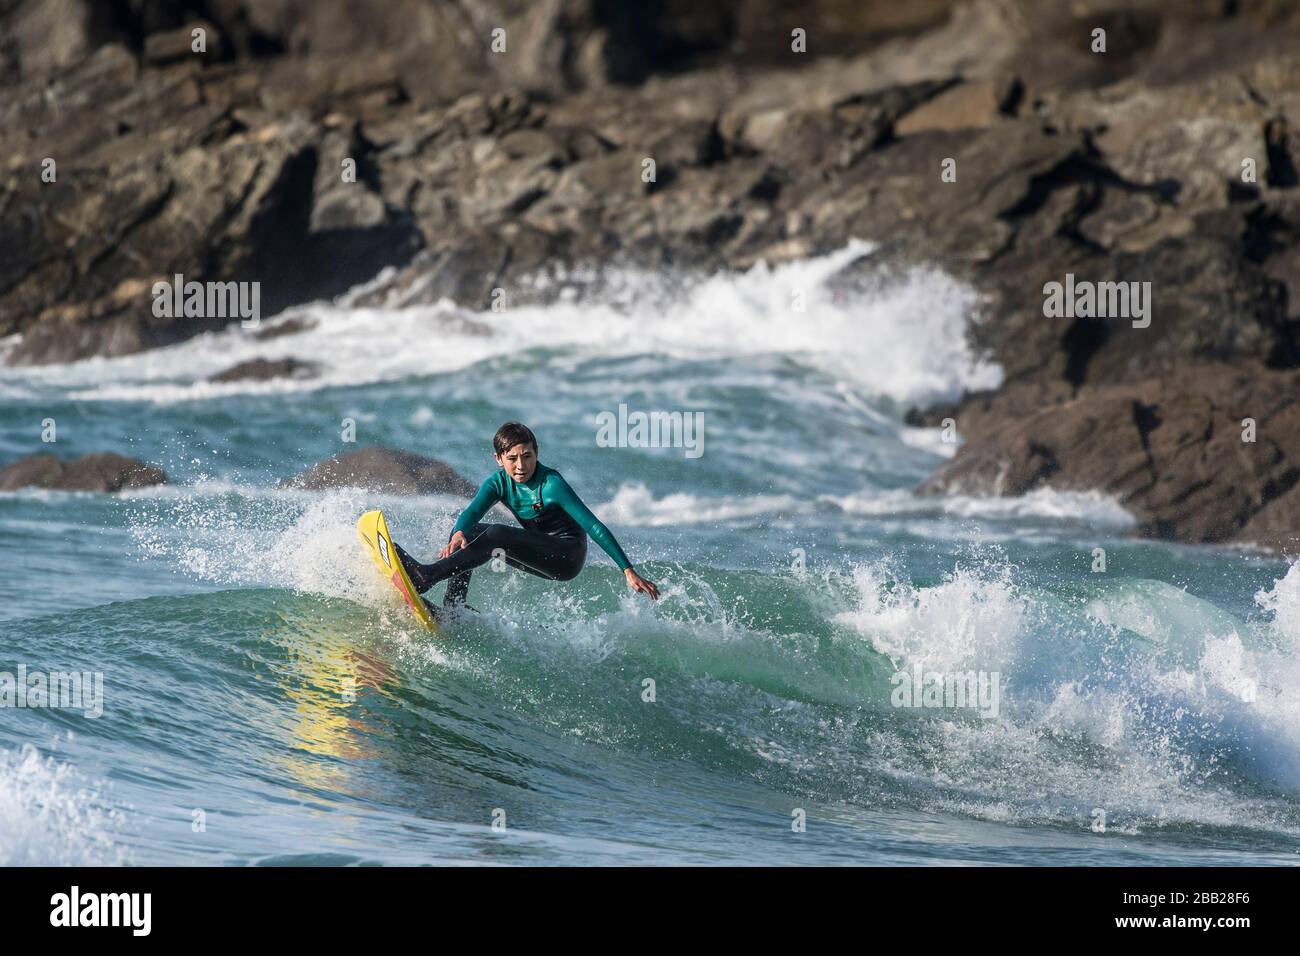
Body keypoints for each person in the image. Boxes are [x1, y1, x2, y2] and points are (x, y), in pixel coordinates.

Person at [394, 422, 660, 608]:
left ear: (536, 453)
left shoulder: (551, 484)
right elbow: (472, 512)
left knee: (496, 533)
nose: (521, 466)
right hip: (537, 551)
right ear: (498, 458)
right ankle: (454, 605)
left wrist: (627, 569)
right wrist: (458, 532)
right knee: (469, 534)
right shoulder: (497, 483)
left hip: (566, 558)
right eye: (512, 458)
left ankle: (426, 576)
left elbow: (592, 525)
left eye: (527, 456)